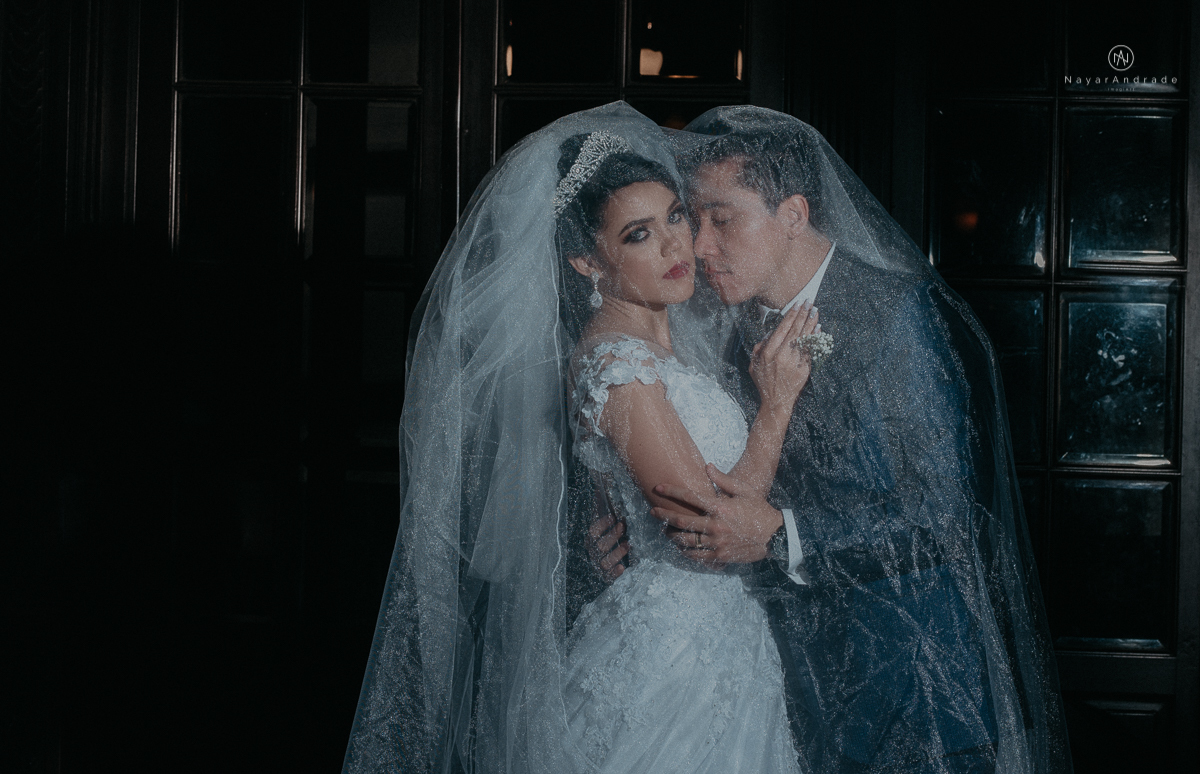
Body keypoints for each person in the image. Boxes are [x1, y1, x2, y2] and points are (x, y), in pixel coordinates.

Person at [341, 102, 819, 774]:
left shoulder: (665, 349)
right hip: (671, 660)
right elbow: (710, 532)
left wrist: (609, 526)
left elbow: (622, 500)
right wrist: (776, 406)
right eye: (638, 235)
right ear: (586, 261)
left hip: (715, 643)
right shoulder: (615, 365)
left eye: (675, 217)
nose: (676, 247)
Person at [637, 106, 1072, 773]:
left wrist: (782, 535)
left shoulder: (899, 315)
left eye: (721, 219)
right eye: (693, 220)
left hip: (913, 686)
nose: (698, 247)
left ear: (793, 213)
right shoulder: (733, 323)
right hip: (792, 683)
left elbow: (947, 513)